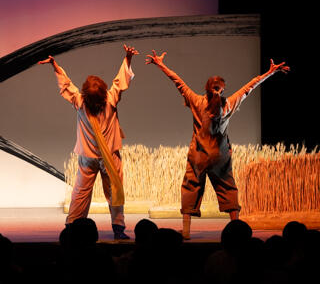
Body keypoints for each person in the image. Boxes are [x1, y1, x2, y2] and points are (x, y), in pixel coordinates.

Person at [146, 50, 289, 239]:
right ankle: (237, 231)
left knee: (190, 187)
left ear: (206, 88)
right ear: (222, 90)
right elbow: (250, 87)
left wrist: (160, 64)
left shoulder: (197, 101)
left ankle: (186, 231)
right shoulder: (228, 104)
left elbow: (177, 81)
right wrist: (270, 72)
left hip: (198, 155)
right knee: (228, 188)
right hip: (220, 157)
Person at [39, 44, 138, 239]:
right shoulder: (110, 99)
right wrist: (128, 57)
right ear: (103, 93)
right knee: (114, 191)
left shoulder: (80, 102)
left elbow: (66, 85)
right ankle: (118, 228)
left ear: (85, 94)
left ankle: (72, 225)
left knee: (81, 192)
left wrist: (55, 65)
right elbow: (120, 81)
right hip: (109, 157)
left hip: (89, 157)